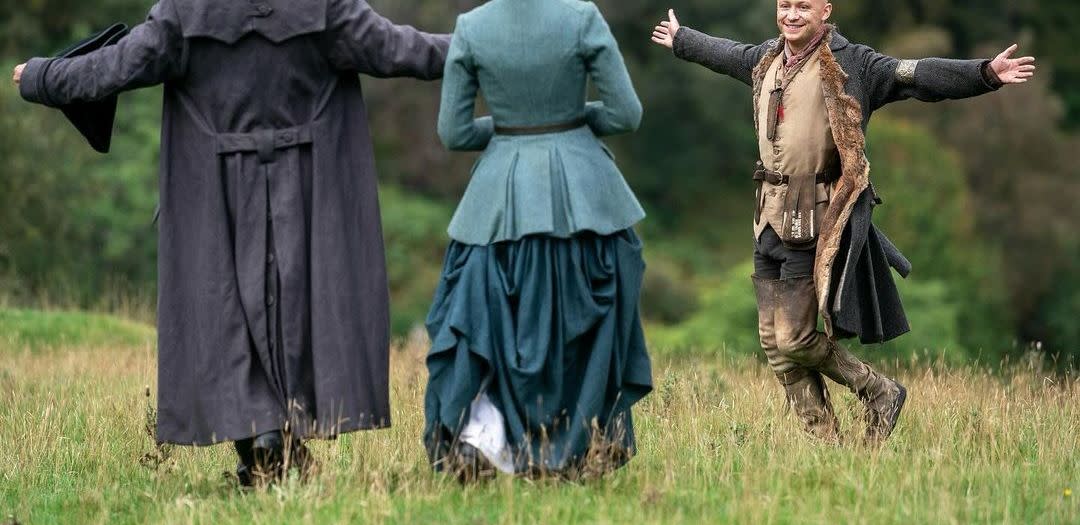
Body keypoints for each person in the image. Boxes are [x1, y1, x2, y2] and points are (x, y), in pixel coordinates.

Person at [13, 0, 451, 486]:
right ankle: (272, 447)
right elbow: (403, 49)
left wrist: (41, 75)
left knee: (229, 319)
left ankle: (265, 441)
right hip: (308, 189)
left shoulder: (185, 11)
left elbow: (112, 68)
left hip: (214, 193)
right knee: (299, 313)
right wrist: (479, 47)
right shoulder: (323, 6)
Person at [651, 2, 1035, 444]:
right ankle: (826, 444)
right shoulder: (765, 59)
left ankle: (880, 391)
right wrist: (682, 39)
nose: (791, 14)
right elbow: (723, 52)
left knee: (793, 339)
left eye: (803, 6)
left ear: (824, 10)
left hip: (817, 217)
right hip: (768, 217)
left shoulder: (854, 64)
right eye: (784, 5)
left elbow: (916, 73)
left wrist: (984, 73)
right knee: (775, 344)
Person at [424, 0, 653, 481]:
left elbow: (454, 132)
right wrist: (574, 119)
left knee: (488, 320)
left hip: (497, 201)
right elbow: (626, 114)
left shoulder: (471, 27)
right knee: (585, 331)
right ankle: (578, 449)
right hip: (586, 193)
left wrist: (509, 130)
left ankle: (488, 443)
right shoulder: (582, 17)